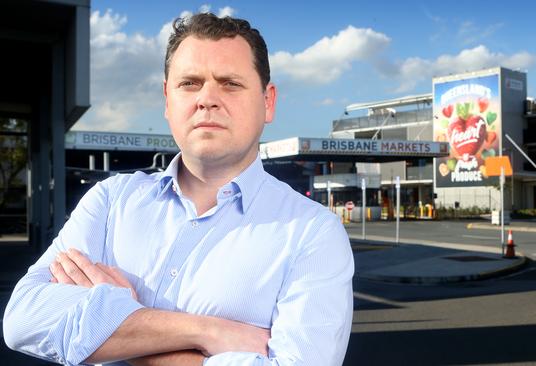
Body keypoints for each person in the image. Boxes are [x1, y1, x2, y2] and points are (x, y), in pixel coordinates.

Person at [3, 13, 354, 366]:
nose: (207, 99)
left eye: (230, 83)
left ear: (268, 102)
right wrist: (207, 332)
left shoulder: (313, 232)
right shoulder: (111, 202)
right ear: (167, 100)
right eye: (190, 83)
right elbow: (23, 320)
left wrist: (123, 329)